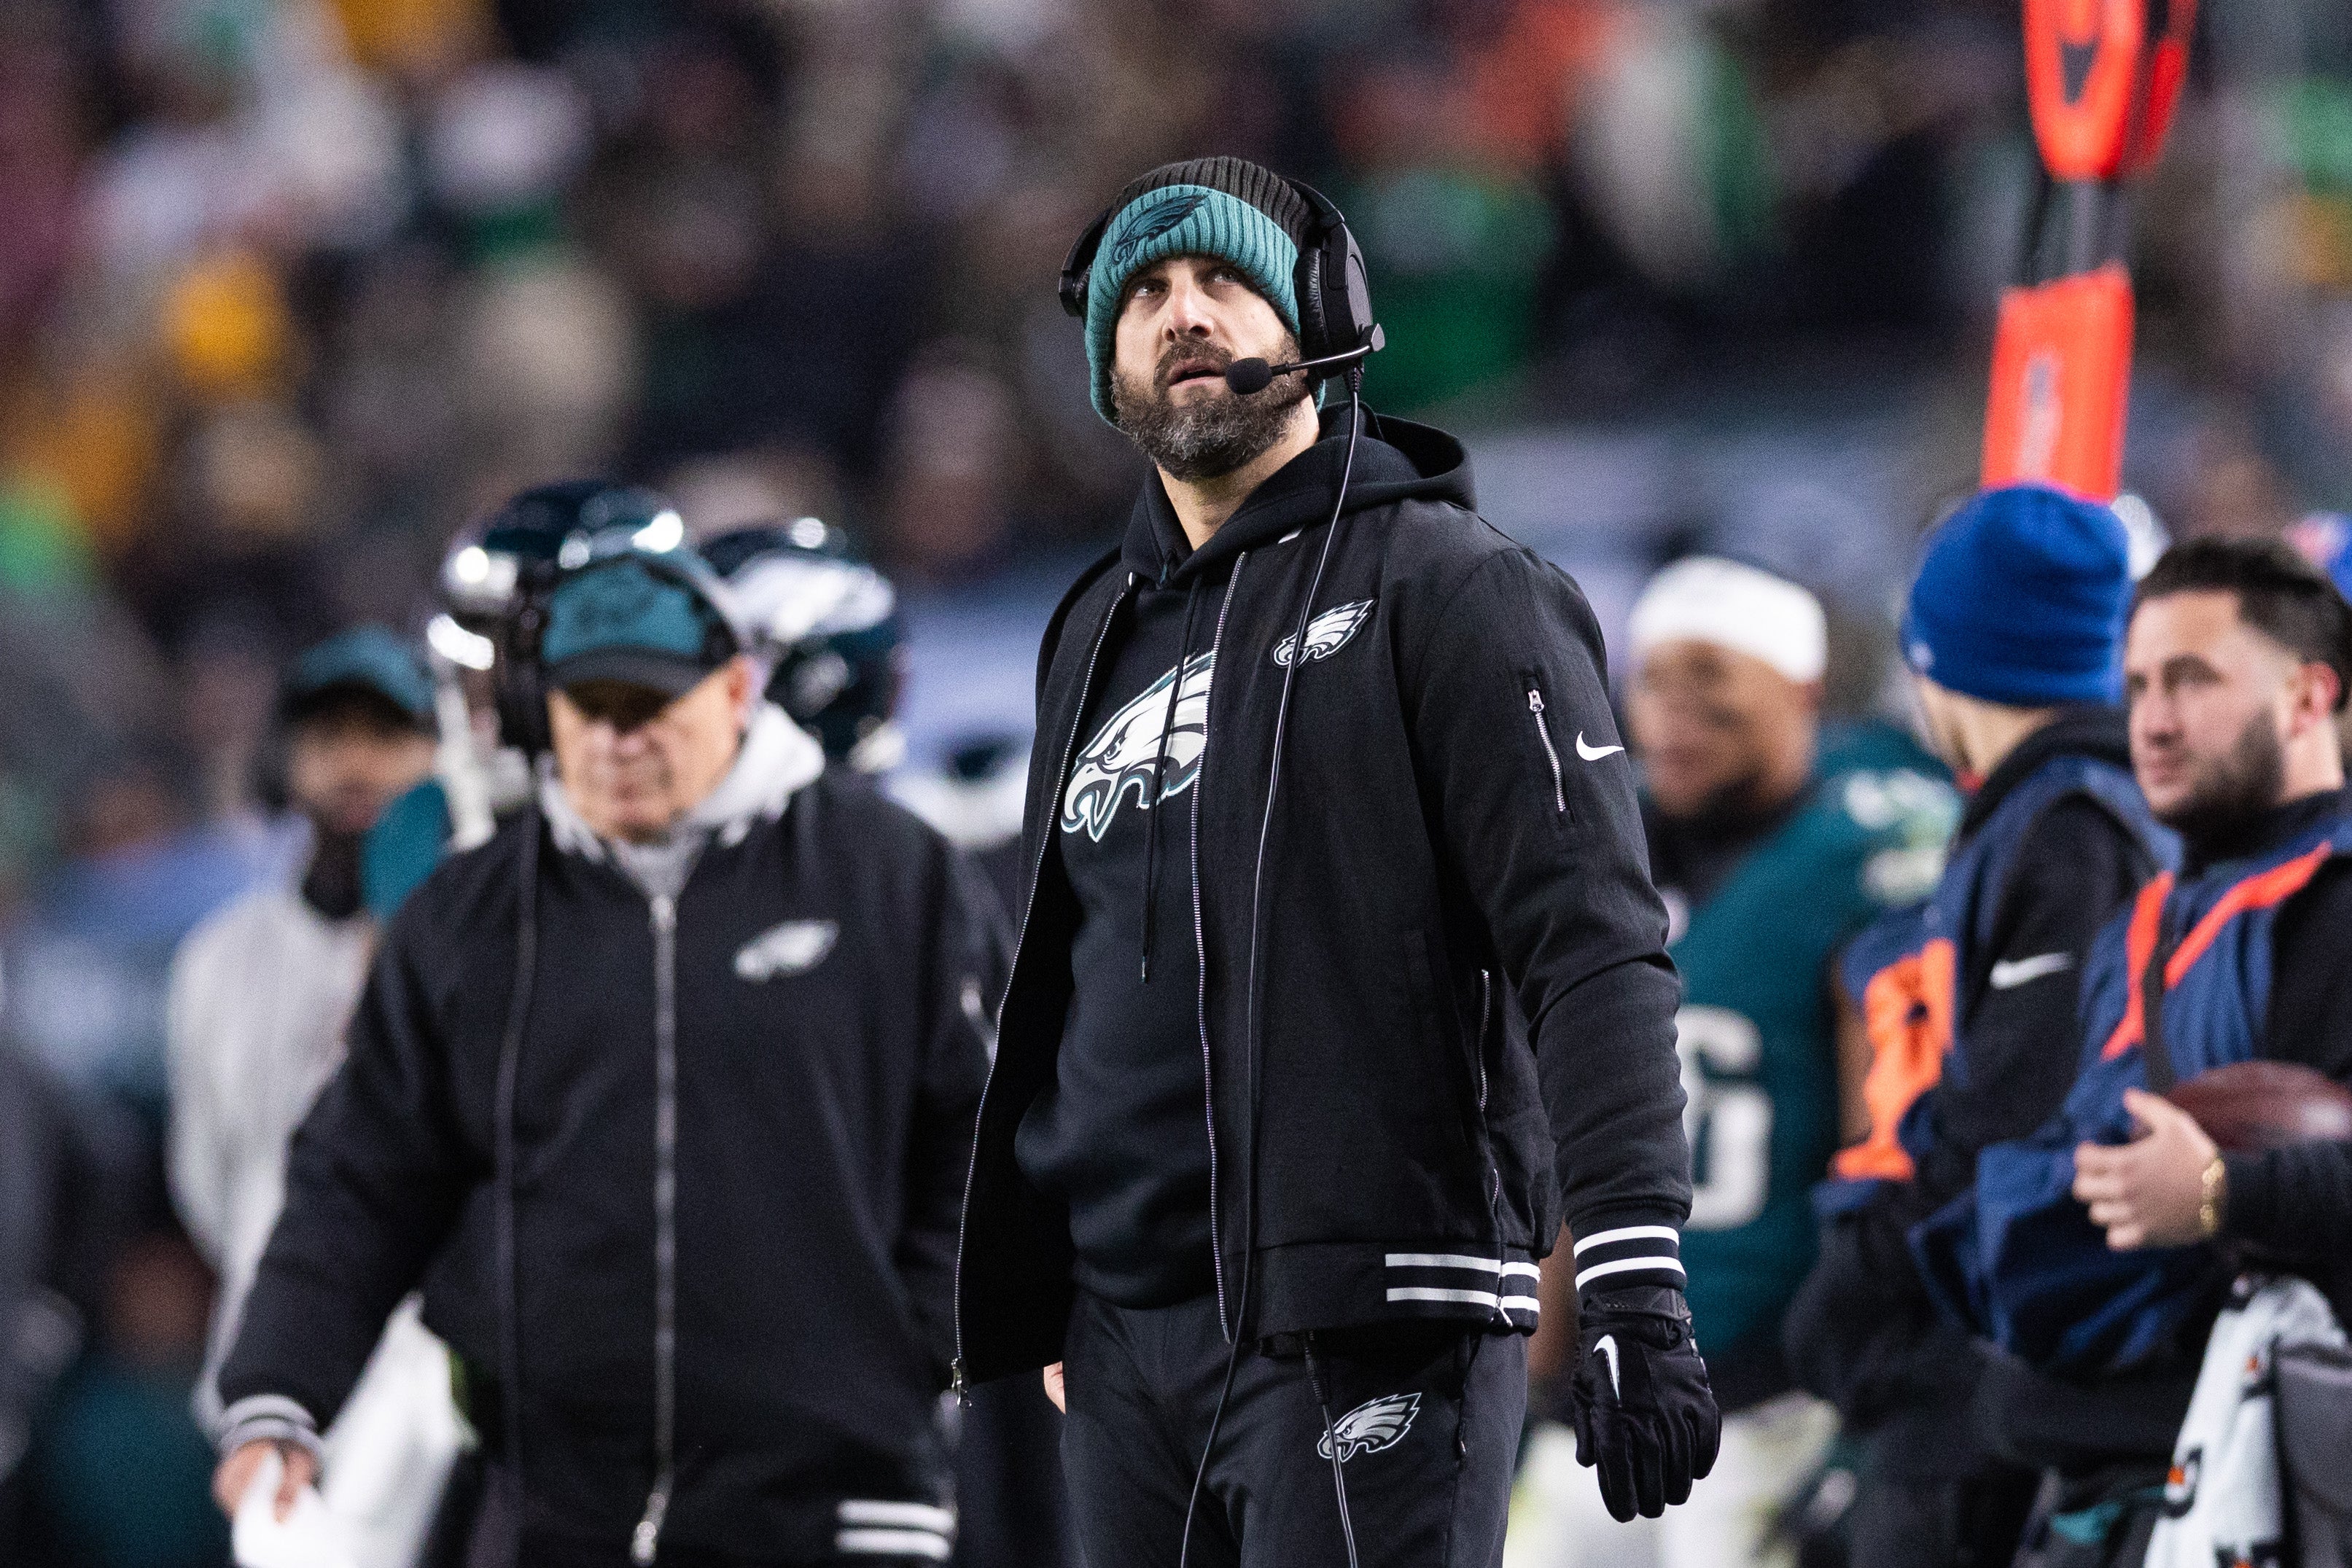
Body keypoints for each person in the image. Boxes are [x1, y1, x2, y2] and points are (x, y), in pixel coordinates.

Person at [954, 155, 1716, 1568]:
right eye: (1147, 295)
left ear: (1320, 317)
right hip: (1125, 1344)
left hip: (1381, 1311)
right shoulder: (1088, 627)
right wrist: (1061, 1281)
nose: (1182, 314)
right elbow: (1063, 973)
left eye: (1224, 281)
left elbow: (1592, 946)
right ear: (1100, 359)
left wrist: (1630, 1276)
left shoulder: (1457, 586)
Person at [209, 519, 1002, 1568]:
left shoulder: (890, 875)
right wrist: (278, 1387)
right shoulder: (471, 916)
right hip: (554, 1501)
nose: (616, 741)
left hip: (838, 1494)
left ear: (732, 693)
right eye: (589, 707)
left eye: (648, 705)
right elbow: (362, 1174)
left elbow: (989, 1142)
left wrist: (913, 1356)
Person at [1511, 558, 1958, 1568]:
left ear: (1798, 688)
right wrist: (1536, 1376)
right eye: (1655, 679)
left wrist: (1861, 1388)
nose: (1673, 710)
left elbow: (1883, 1146)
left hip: (1776, 1395)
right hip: (1602, 1389)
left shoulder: (1865, 851)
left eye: (1711, 678)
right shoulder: (1597, 840)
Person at [1917, 536, 2352, 1567]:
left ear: (2304, 699)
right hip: (2088, 1474)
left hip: (2254, 1483)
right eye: (2138, 684)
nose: (2150, 720)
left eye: (2192, 680)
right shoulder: (2149, 912)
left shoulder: (2334, 906)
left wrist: (2220, 1196)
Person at [1784, 485, 2173, 1568]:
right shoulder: (2063, 810)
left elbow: (2011, 1108)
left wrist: (1863, 1282)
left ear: (1942, 654)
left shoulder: (2071, 830)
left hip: (1992, 1363)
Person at [166, 626, 459, 1567]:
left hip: (442, 1369)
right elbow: (209, 1179)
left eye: (389, 734)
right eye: (330, 735)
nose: (357, 763)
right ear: (284, 758)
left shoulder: (476, 941)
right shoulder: (222, 955)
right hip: (279, 1356)